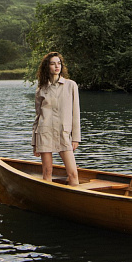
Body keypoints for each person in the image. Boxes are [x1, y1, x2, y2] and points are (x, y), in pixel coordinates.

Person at [32, 51, 81, 186]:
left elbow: (76, 113)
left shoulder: (71, 85)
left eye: (59, 63)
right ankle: (48, 197)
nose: (56, 66)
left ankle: (74, 196)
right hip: (44, 133)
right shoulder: (41, 89)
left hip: (63, 133)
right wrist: (34, 143)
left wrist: (76, 137)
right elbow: (38, 117)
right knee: (47, 172)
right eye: (53, 64)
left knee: (73, 173)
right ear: (47, 67)